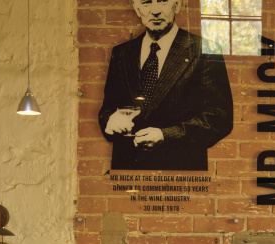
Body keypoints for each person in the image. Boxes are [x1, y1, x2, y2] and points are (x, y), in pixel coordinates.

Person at [99, 0, 234, 171]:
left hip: (179, 170)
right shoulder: (121, 53)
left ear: (177, 5)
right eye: (146, 2)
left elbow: (220, 118)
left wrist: (165, 135)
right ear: (136, 8)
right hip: (128, 169)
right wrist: (110, 120)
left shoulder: (205, 50)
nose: (155, 10)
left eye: (163, 1)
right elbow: (107, 109)